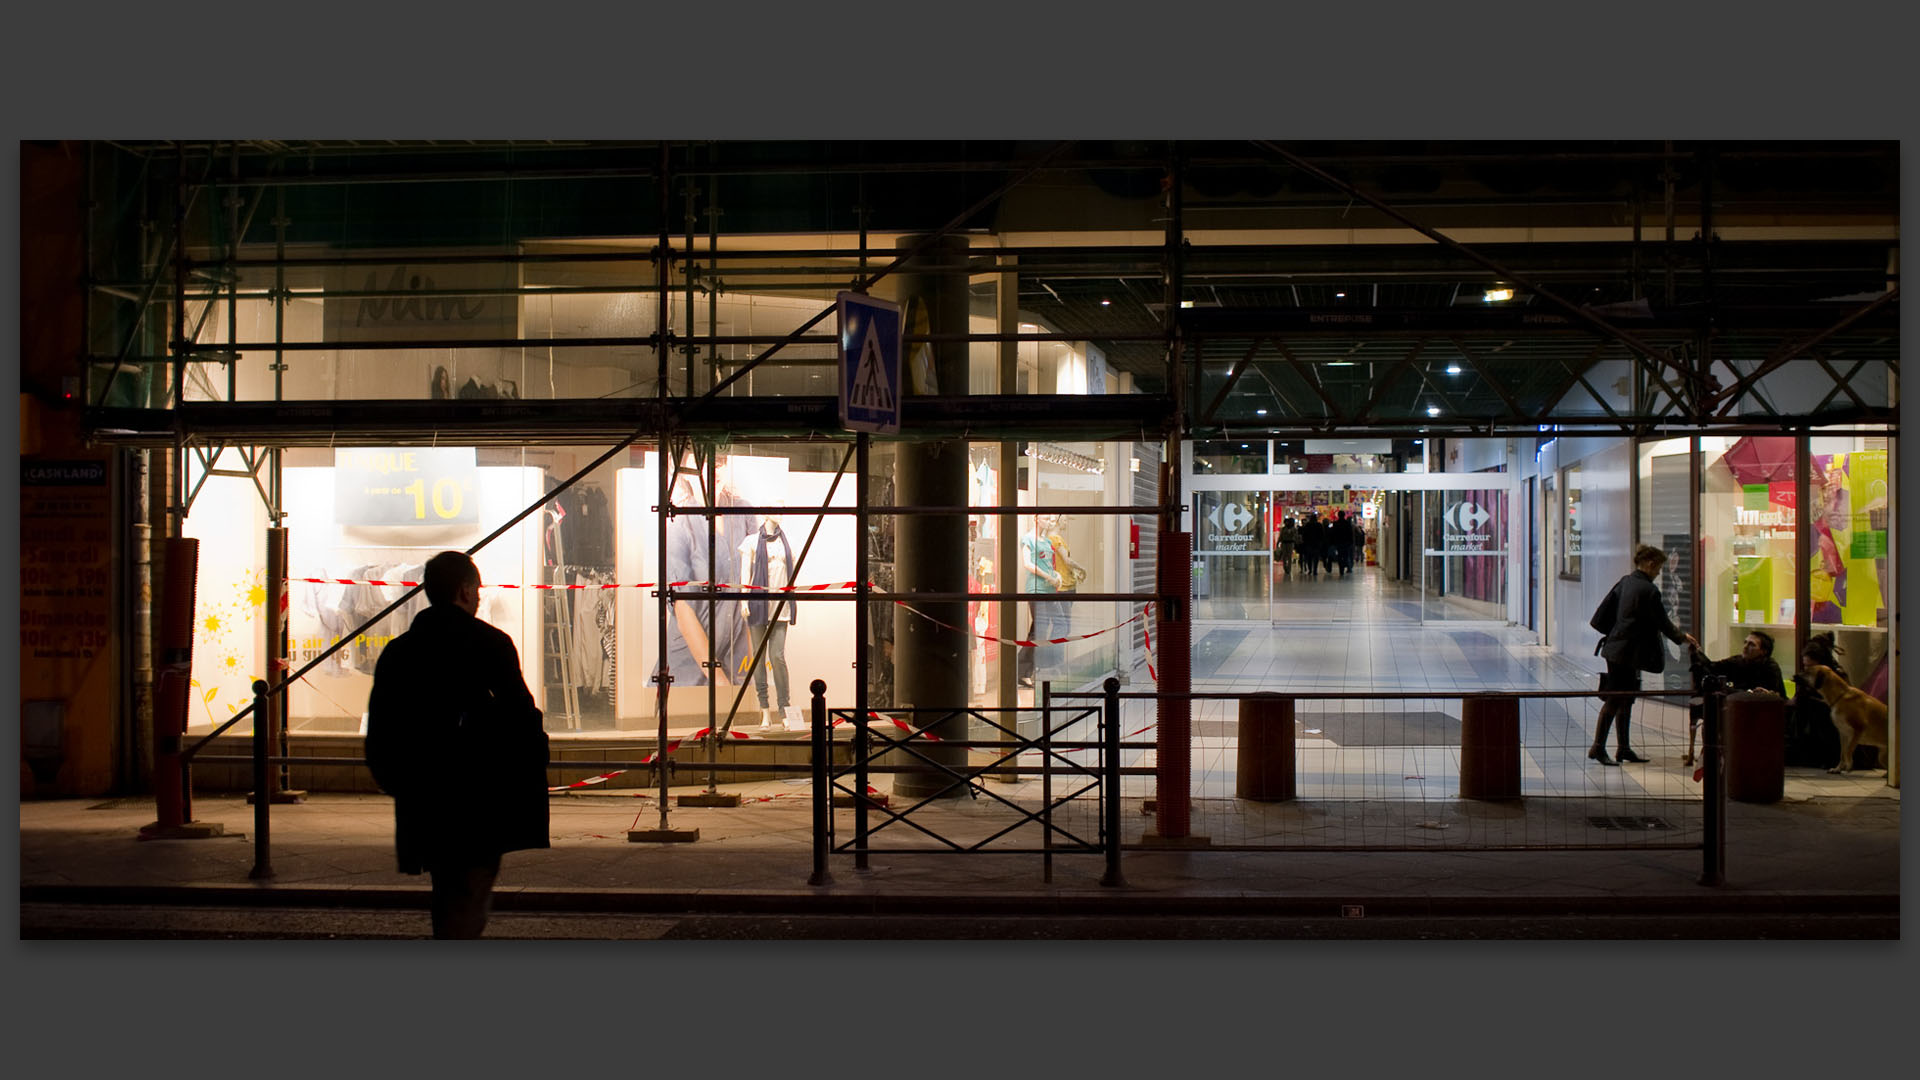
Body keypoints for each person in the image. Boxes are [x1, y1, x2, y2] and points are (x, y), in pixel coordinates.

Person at [366, 551, 550, 938]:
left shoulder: (400, 652)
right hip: (478, 797)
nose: (480, 597)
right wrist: (532, 764)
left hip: (422, 795)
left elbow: (382, 726)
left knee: (446, 889)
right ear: (465, 591)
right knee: (469, 890)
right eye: (477, 590)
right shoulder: (489, 644)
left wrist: (396, 781)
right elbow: (520, 716)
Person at [1588, 543, 1699, 765]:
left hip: (1616, 649)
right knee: (1616, 698)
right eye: (1658, 568)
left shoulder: (1625, 582)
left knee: (1625, 699)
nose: (1658, 573)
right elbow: (1662, 622)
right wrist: (1682, 637)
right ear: (1649, 564)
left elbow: (1605, 614)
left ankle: (1623, 748)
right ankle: (1598, 748)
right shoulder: (1648, 590)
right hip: (1627, 652)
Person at [657, 451, 751, 693]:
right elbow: (682, 606)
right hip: (689, 666)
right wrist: (717, 677)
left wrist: (755, 659)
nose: (715, 471)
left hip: (736, 659)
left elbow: (755, 589)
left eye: (719, 463)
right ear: (688, 466)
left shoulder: (744, 512)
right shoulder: (679, 519)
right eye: (707, 464)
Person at [737, 512, 795, 729]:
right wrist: (744, 601)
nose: (781, 513)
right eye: (776, 508)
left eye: (783, 508)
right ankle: (764, 711)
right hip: (758, 607)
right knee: (759, 658)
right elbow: (745, 574)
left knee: (777, 657)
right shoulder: (751, 542)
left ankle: (784, 709)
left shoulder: (787, 544)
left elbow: (791, 575)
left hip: (780, 608)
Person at [1018, 514, 1066, 687]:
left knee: (1059, 623)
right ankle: (1024, 670)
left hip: (1050, 589)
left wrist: (1056, 576)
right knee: (1039, 629)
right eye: (1045, 518)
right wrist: (1048, 576)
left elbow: (1049, 564)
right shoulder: (1028, 539)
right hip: (1037, 589)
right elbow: (1028, 563)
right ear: (1036, 518)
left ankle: (1045, 662)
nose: (1048, 521)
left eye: (1050, 518)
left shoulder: (1046, 541)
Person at [1298, 512, 1324, 579]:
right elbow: (1322, 535)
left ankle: (1310, 569)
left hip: (1309, 543)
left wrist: (1304, 541)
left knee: (1309, 557)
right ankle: (1315, 570)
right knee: (1316, 557)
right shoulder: (1319, 525)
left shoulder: (1307, 525)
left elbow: (1304, 534)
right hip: (1317, 543)